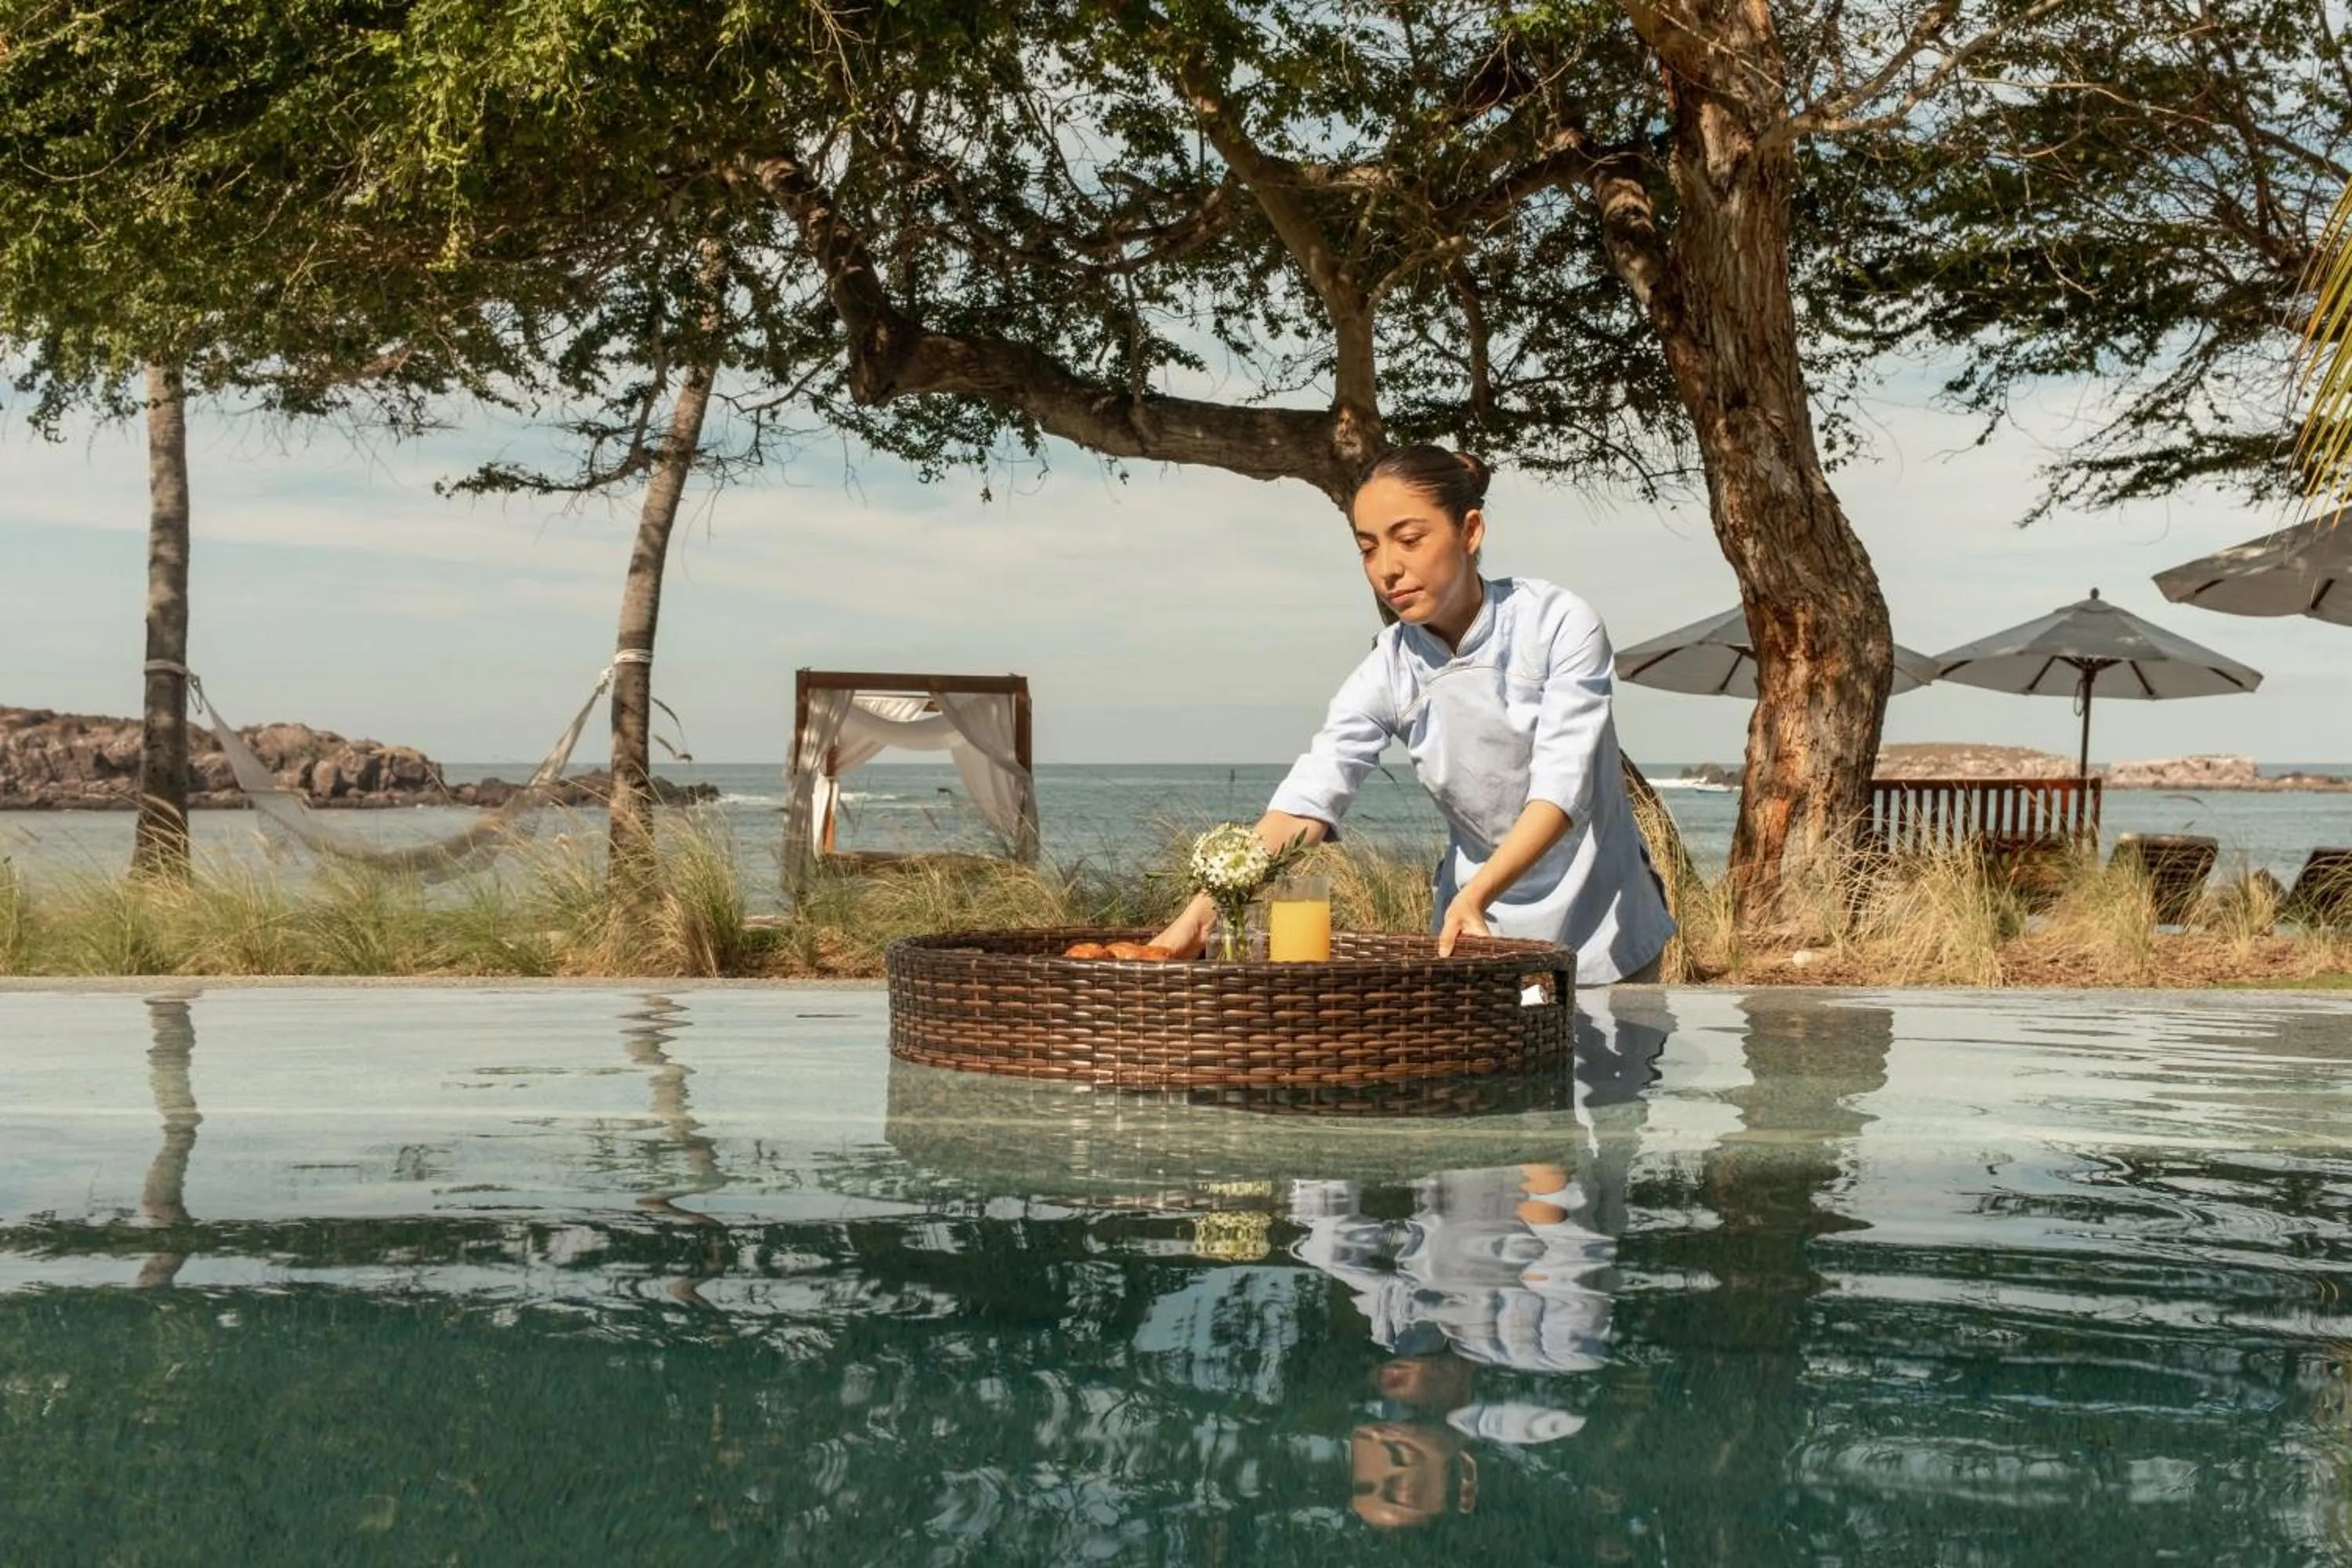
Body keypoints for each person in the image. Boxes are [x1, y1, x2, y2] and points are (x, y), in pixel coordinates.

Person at [1152, 444, 1674, 982]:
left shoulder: (1559, 624)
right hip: (1475, 934)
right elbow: (1308, 800)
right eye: (1367, 549)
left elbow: (1562, 791)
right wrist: (1201, 913)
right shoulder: (1389, 667)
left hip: (1603, 932)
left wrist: (1476, 894)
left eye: (1409, 540)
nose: (1387, 570)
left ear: (1470, 532)